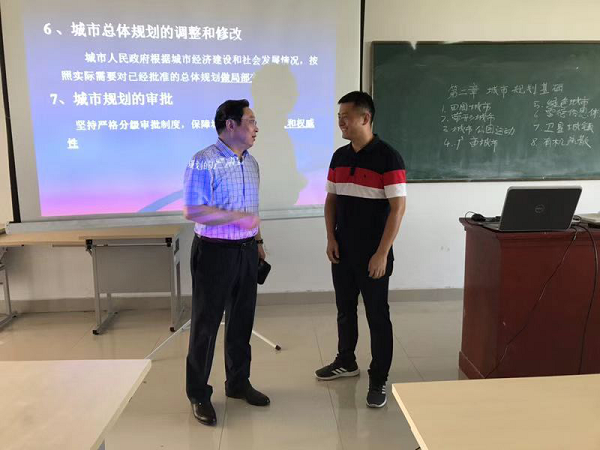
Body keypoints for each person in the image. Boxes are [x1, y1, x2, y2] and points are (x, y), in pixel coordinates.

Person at [316, 91, 407, 408]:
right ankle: (346, 360)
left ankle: (378, 377)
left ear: (365, 118)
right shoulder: (339, 156)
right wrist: (331, 238)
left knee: (377, 315)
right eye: (339, 117)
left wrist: (382, 253)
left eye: (346, 117)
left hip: (373, 254)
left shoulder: (388, 157)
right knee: (344, 309)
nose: (341, 122)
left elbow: (397, 209)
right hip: (342, 250)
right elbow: (331, 200)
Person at [183, 99, 269, 426]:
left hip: (246, 251)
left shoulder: (252, 163)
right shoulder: (203, 161)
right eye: (251, 121)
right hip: (213, 252)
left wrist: (258, 241)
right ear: (230, 125)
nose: (256, 128)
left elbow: (252, 210)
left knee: (241, 321)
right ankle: (198, 394)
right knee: (205, 326)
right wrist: (238, 220)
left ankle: (237, 382)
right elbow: (193, 210)